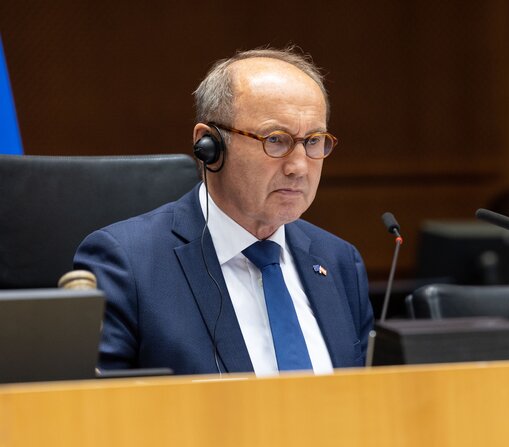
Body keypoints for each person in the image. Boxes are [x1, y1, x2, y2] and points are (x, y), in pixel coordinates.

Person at [74, 47, 374, 376]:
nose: (299, 166)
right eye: (275, 140)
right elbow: (92, 411)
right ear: (210, 146)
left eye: (314, 140)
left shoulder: (340, 261)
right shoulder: (128, 265)